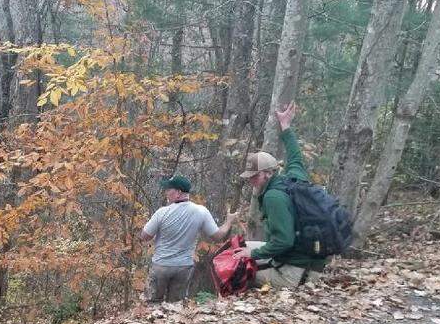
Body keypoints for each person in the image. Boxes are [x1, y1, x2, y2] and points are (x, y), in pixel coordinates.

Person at [234, 102, 326, 288]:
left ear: (269, 173)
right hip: (310, 261)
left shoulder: (273, 197)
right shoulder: (294, 178)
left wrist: (252, 255)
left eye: (255, 176)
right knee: (238, 249)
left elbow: (284, 241)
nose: (251, 181)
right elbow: (295, 155)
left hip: (293, 273)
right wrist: (285, 126)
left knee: (238, 268)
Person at [140, 175, 235, 303]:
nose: (166, 193)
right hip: (183, 267)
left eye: (169, 189)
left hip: (161, 266)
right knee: (175, 307)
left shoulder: (162, 212)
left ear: (178, 192)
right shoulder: (201, 211)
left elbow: (145, 236)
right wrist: (229, 221)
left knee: (152, 304)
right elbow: (218, 236)